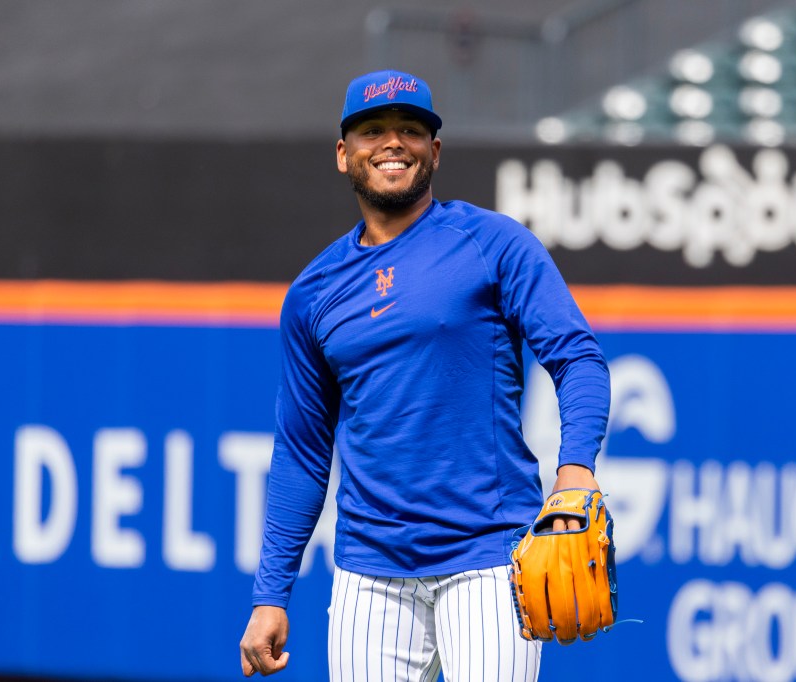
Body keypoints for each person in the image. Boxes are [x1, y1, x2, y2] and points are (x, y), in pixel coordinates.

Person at [239, 69, 611, 682]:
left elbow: (577, 357)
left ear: (434, 151)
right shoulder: (313, 292)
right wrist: (270, 593)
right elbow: (303, 452)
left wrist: (574, 470)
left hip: (488, 557)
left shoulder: (493, 243)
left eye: (410, 129)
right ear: (343, 154)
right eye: (372, 131)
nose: (392, 143)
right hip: (368, 572)